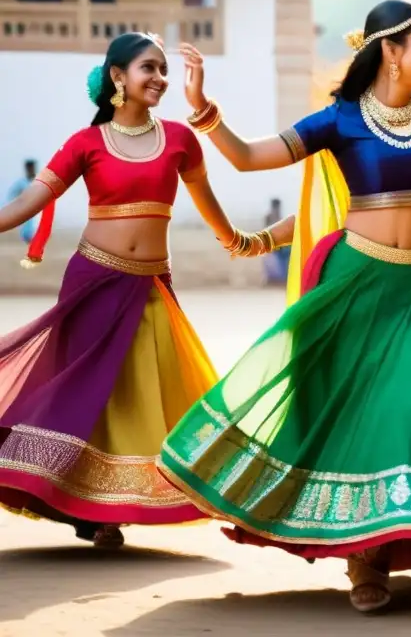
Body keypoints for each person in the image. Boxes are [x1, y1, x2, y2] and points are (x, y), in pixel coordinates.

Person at [156, 0, 411, 614]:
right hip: (356, 280)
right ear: (392, 49)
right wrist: (204, 110)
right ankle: (362, 561)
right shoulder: (340, 119)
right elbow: (248, 157)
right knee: (359, 417)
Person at [0, 32, 288, 549]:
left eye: (163, 70)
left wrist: (248, 243)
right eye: (148, 68)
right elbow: (27, 204)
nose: (159, 78)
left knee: (139, 396)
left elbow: (209, 207)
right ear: (118, 77)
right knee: (90, 396)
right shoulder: (85, 143)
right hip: (94, 281)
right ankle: (90, 510)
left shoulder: (180, 139)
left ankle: (114, 506)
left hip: (152, 283)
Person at [6, 160, 39, 243]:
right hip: (26, 212)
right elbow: (12, 194)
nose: (31, 170)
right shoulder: (21, 183)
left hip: (38, 212)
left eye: (33, 168)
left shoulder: (39, 181)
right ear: (27, 169)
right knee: (27, 232)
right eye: (29, 168)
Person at [263, 198, 290, 284]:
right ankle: (272, 279)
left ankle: (283, 279)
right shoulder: (269, 217)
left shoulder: (279, 217)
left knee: (282, 261)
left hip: (280, 245)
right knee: (271, 262)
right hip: (272, 244)